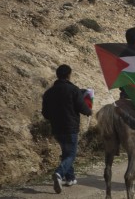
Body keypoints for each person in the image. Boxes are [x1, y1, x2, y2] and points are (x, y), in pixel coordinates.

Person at [41, 64, 93, 193]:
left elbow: (45, 113)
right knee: (71, 154)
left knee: (66, 152)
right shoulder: (74, 90)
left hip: (57, 128)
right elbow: (82, 107)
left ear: (57, 75)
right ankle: (59, 173)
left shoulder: (48, 92)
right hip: (70, 127)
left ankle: (70, 178)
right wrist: (89, 111)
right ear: (69, 75)